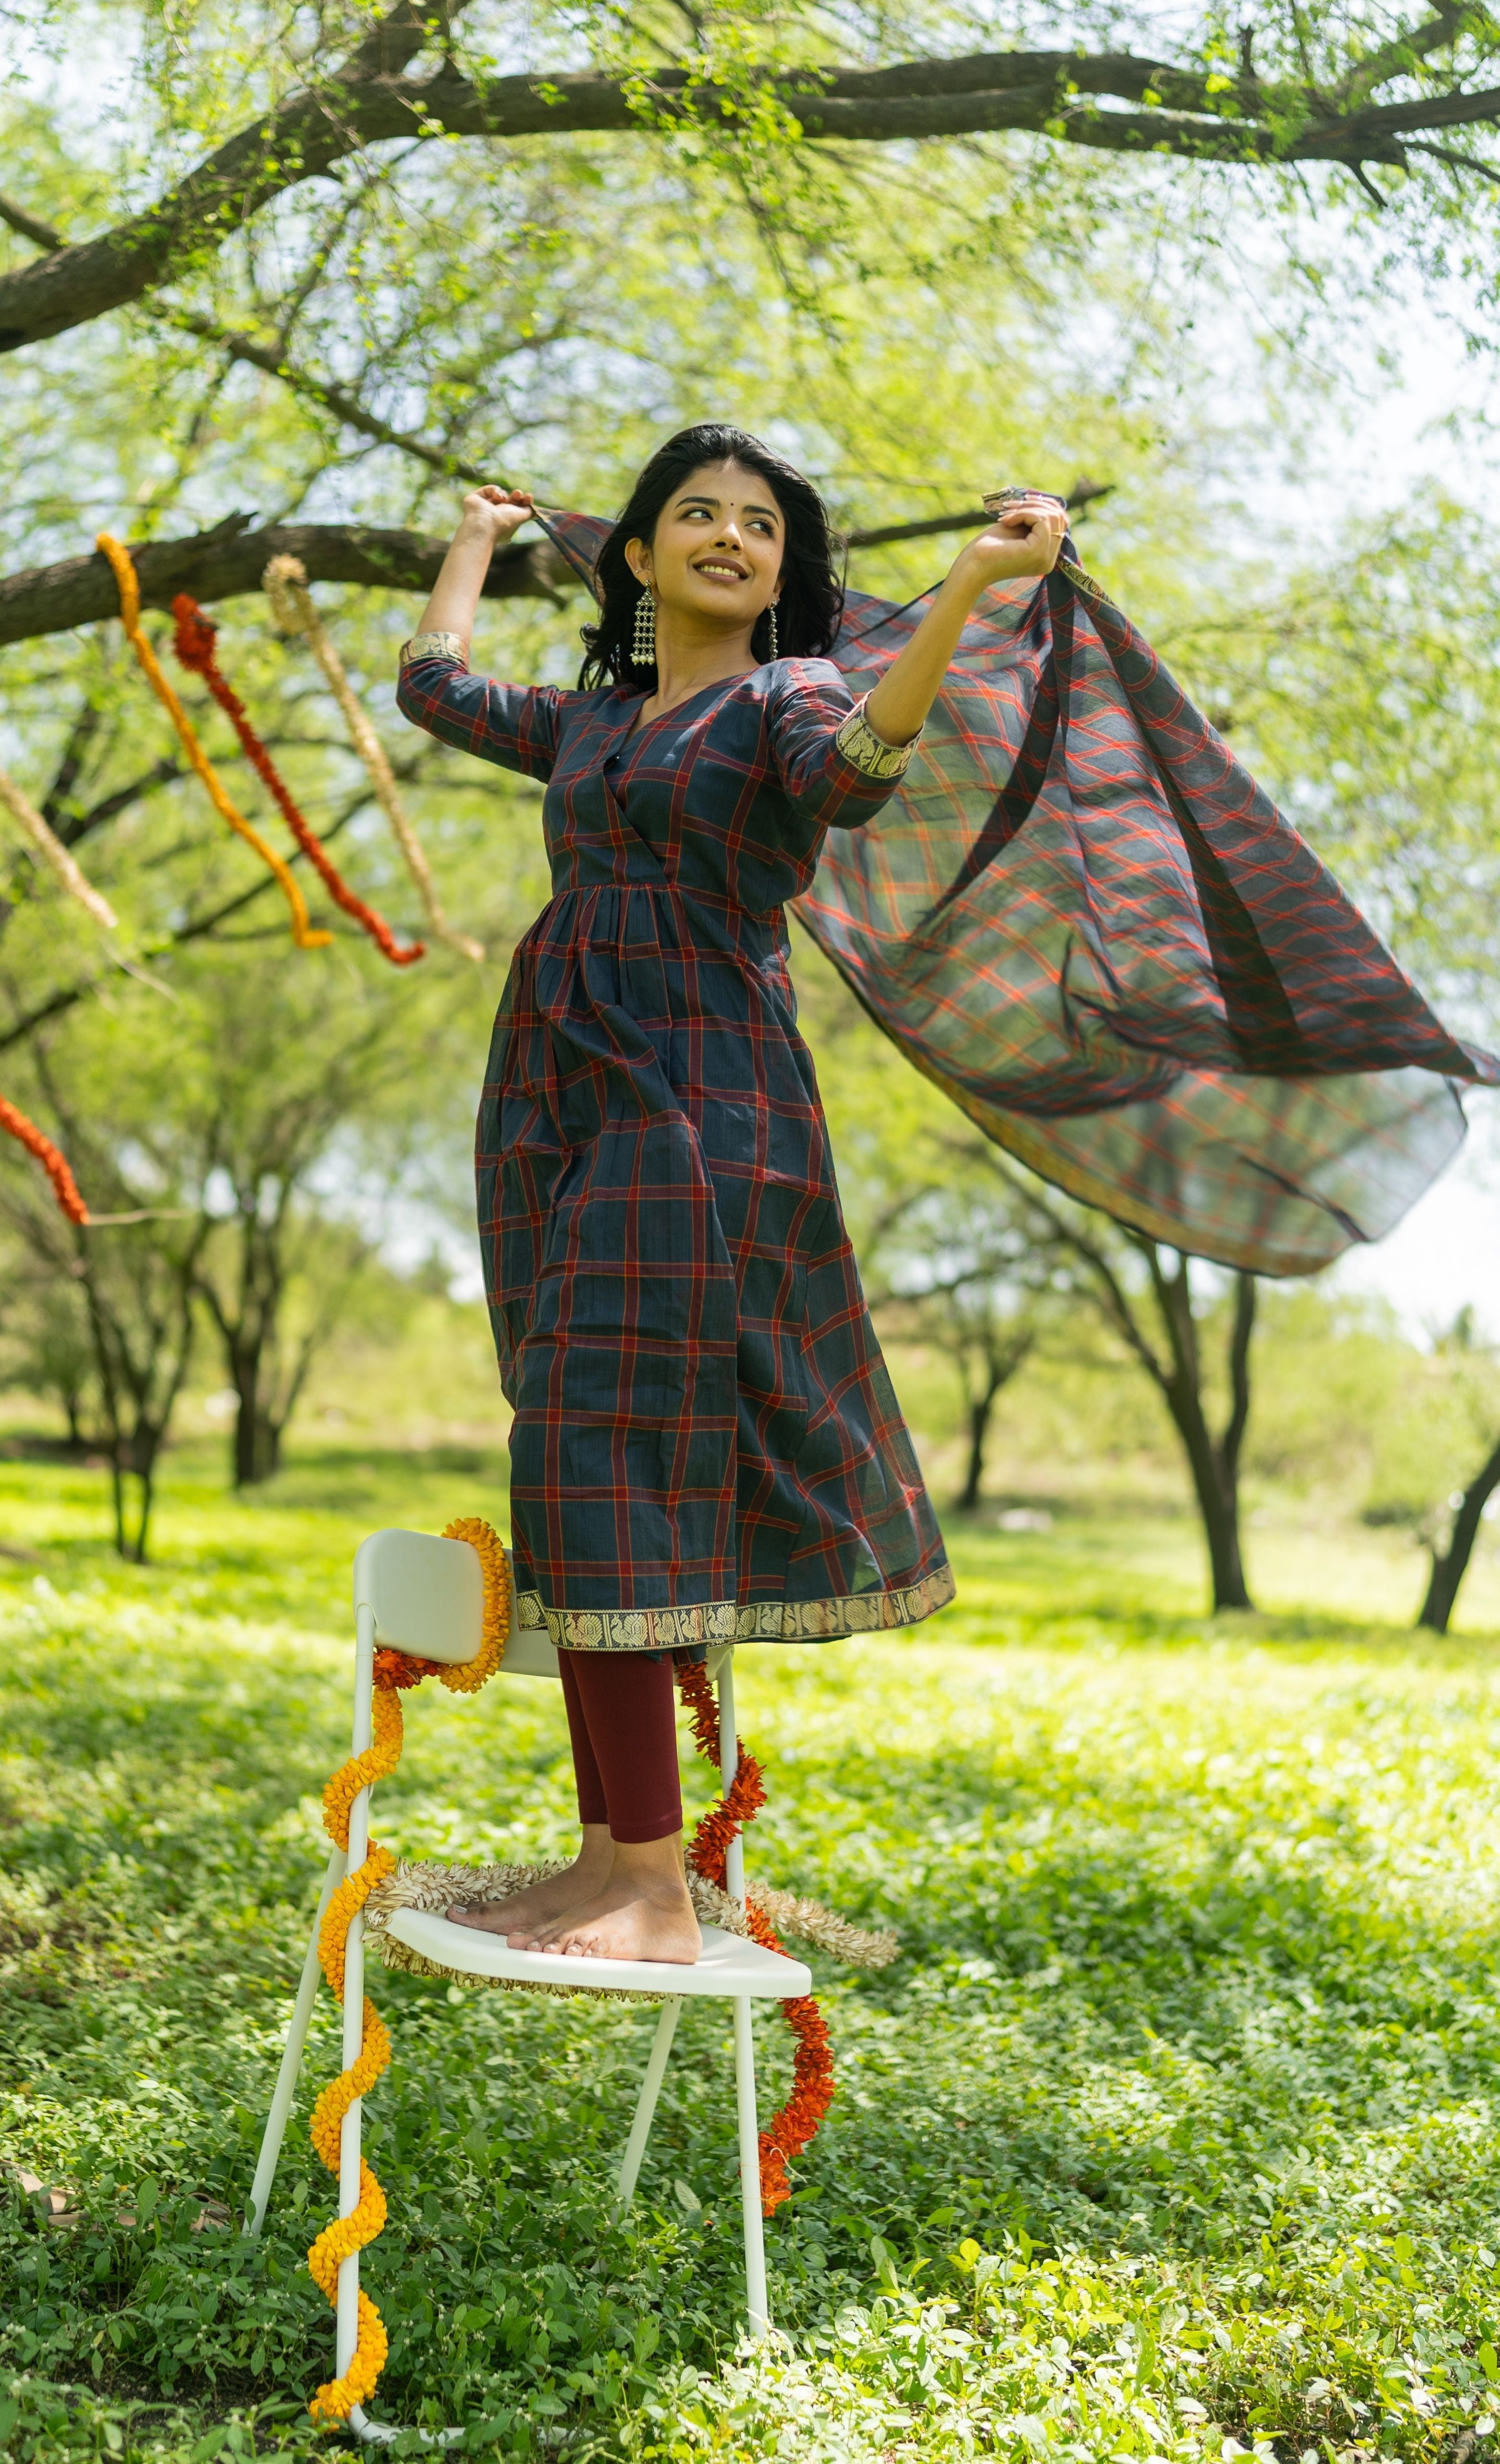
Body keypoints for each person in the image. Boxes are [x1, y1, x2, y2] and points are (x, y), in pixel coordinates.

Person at [396, 423, 1065, 1963]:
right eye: (693, 516)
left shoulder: (790, 696)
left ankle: (649, 1891)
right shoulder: (592, 723)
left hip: (702, 1109)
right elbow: (433, 687)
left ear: (785, 569)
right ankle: (608, 1858)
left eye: (758, 527)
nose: (726, 538)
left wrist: (968, 582)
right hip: (561, 1095)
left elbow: (860, 773)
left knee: (592, 1433)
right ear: (637, 556)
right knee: (566, 1448)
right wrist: (479, 543)